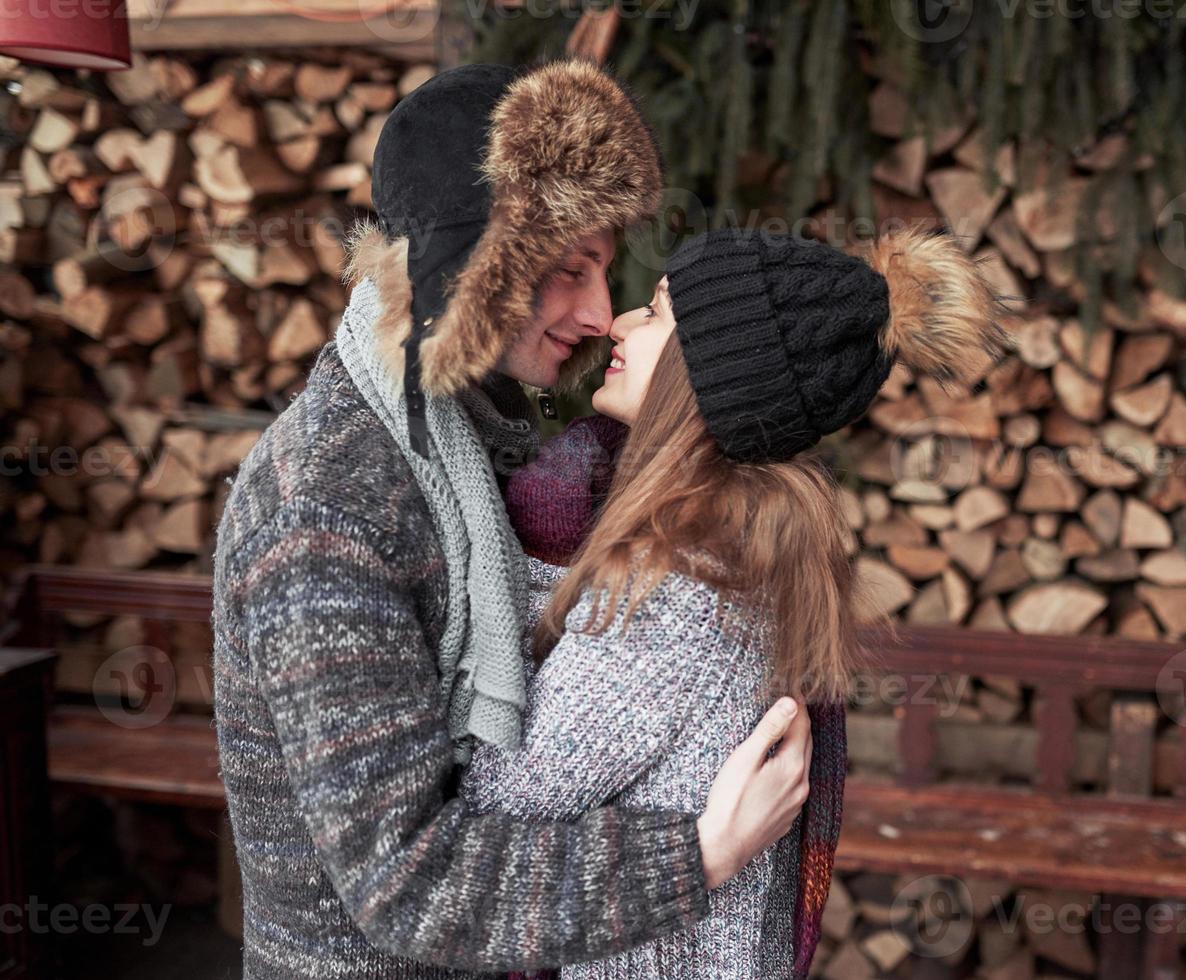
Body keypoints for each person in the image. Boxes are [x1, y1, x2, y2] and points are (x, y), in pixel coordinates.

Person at [212, 59, 811, 979]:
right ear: (473, 273)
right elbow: (408, 885)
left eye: (606, 272)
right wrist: (701, 855)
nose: (600, 314)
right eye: (570, 270)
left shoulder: (463, 442)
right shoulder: (326, 506)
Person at [462, 225, 1006, 978]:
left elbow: (489, 810)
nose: (618, 323)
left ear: (707, 374)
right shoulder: (736, 565)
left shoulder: (676, 601)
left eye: (654, 313)